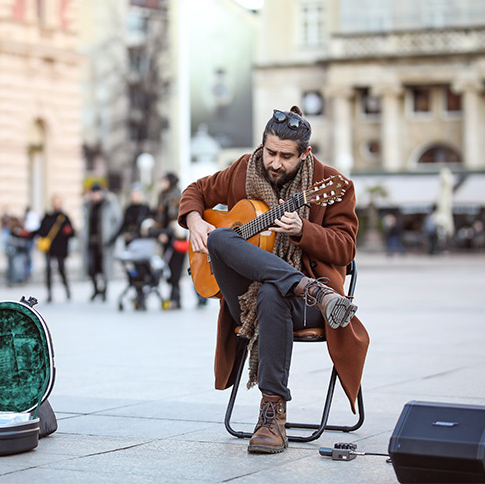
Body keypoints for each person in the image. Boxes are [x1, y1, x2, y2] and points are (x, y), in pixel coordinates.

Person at [179, 106, 369, 454]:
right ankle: (305, 286)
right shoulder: (242, 170)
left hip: (309, 309)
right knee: (221, 239)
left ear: (305, 154)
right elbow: (195, 190)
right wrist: (194, 220)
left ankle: (272, 415)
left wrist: (304, 230)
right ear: (261, 146)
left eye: (286, 156)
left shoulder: (332, 185)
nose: (275, 163)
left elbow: (345, 249)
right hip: (251, 300)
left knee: (271, 292)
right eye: (270, 153)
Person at [81, 182, 122, 302]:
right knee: (91, 267)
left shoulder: (109, 204)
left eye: (97, 193)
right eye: (93, 193)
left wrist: (112, 237)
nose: (95, 196)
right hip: (91, 241)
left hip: (105, 242)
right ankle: (95, 289)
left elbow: (118, 221)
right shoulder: (88, 206)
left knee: (105, 268)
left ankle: (104, 291)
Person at [154, 173, 187, 309]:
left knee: (176, 268)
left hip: (177, 237)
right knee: (166, 267)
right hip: (166, 236)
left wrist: (171, 230)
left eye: (164, 180)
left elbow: (177, 216)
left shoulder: (177, 196)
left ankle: (176, 298)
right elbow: (159, 216)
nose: (162, 183)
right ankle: (173, 296)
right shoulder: (162, 196)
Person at [34, 195, 75, 303]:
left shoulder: (64, 217)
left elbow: (72, 232)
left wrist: (68, 231)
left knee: (61, 269)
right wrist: (30, 234)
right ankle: (49, 294)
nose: (56, 205)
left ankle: (67, 291)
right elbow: (41, 230)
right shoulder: (47, 216)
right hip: (49, 248)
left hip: (60, 248)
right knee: (48, 270)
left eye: (58, 202)